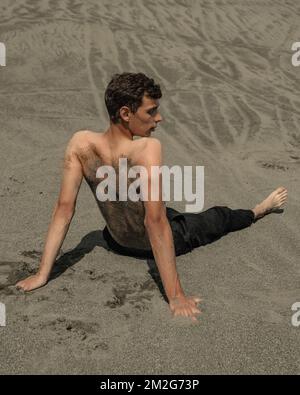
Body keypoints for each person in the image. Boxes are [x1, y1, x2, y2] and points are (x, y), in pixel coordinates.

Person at [16, 72, 288, 322]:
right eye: (152, 111)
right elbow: (155, 223)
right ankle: (259, 211)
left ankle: (210, 214)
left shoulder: (80, 143)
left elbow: (64, 210)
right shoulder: (147, 148)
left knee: (165, 210)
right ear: (125, 112)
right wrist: (176, 296)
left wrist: (42, 274)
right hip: (151, 243)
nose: (159, 118)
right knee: (215, 217)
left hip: (116, 241)